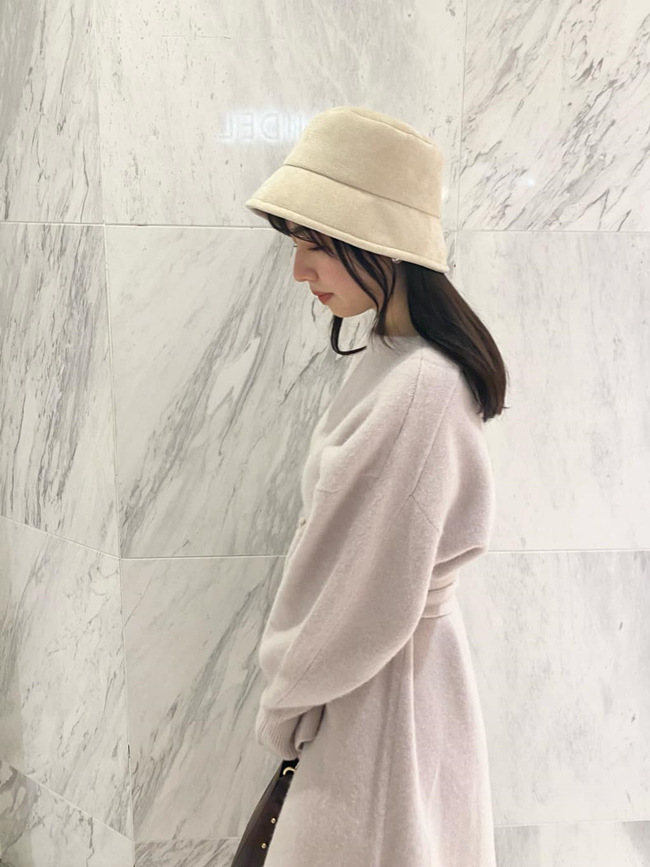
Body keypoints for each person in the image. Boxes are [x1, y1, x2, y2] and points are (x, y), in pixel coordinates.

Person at [244, 105, 508, 867]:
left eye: (314, 244)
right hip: (390, 689)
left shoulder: (419, 385)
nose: (300, 271)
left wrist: (285, 704)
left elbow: (359, 595)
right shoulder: (399, 359)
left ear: (378, 244)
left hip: (378, 709)